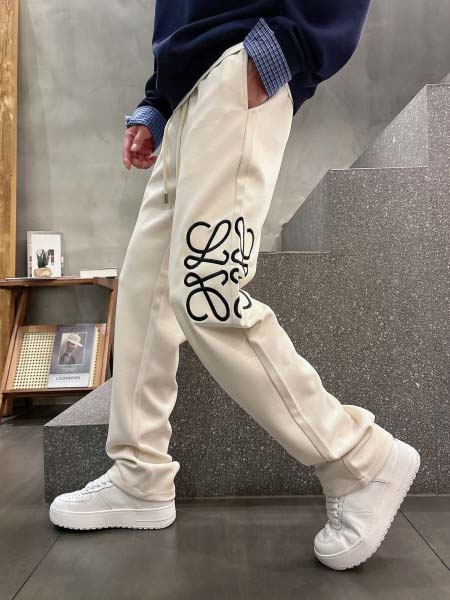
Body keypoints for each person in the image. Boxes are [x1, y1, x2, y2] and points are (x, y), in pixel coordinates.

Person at [49, 1, 420, 571]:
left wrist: (286, 48)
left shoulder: (256, 59)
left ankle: (358, 457)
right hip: (188, 89)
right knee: (146, 292)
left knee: (207, 290)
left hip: (240, 63)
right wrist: (157, 102)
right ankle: (139, 474)